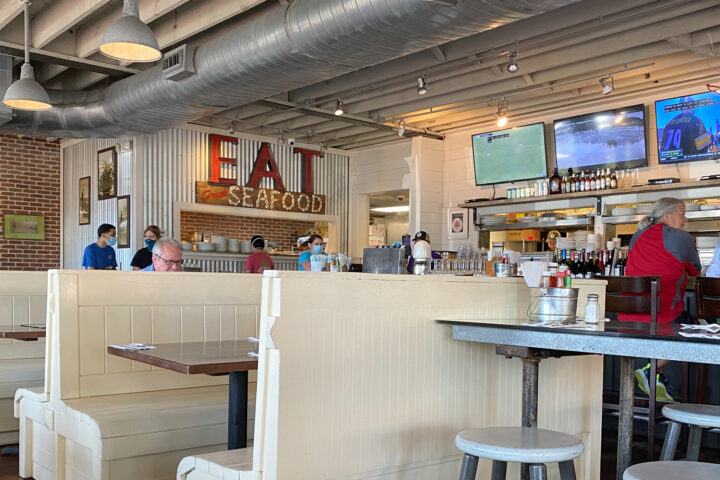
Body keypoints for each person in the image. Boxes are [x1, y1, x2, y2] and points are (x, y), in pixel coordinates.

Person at [624, 197, 701, 401]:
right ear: (667, 216)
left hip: (628, 317)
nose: (685, 220)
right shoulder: (680, 237)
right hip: (663, 316)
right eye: (682, 213)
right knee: (697, 331)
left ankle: (656, 377)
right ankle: (653, 367)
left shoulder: (637, 235)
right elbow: (696, 270)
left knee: (677, 324)